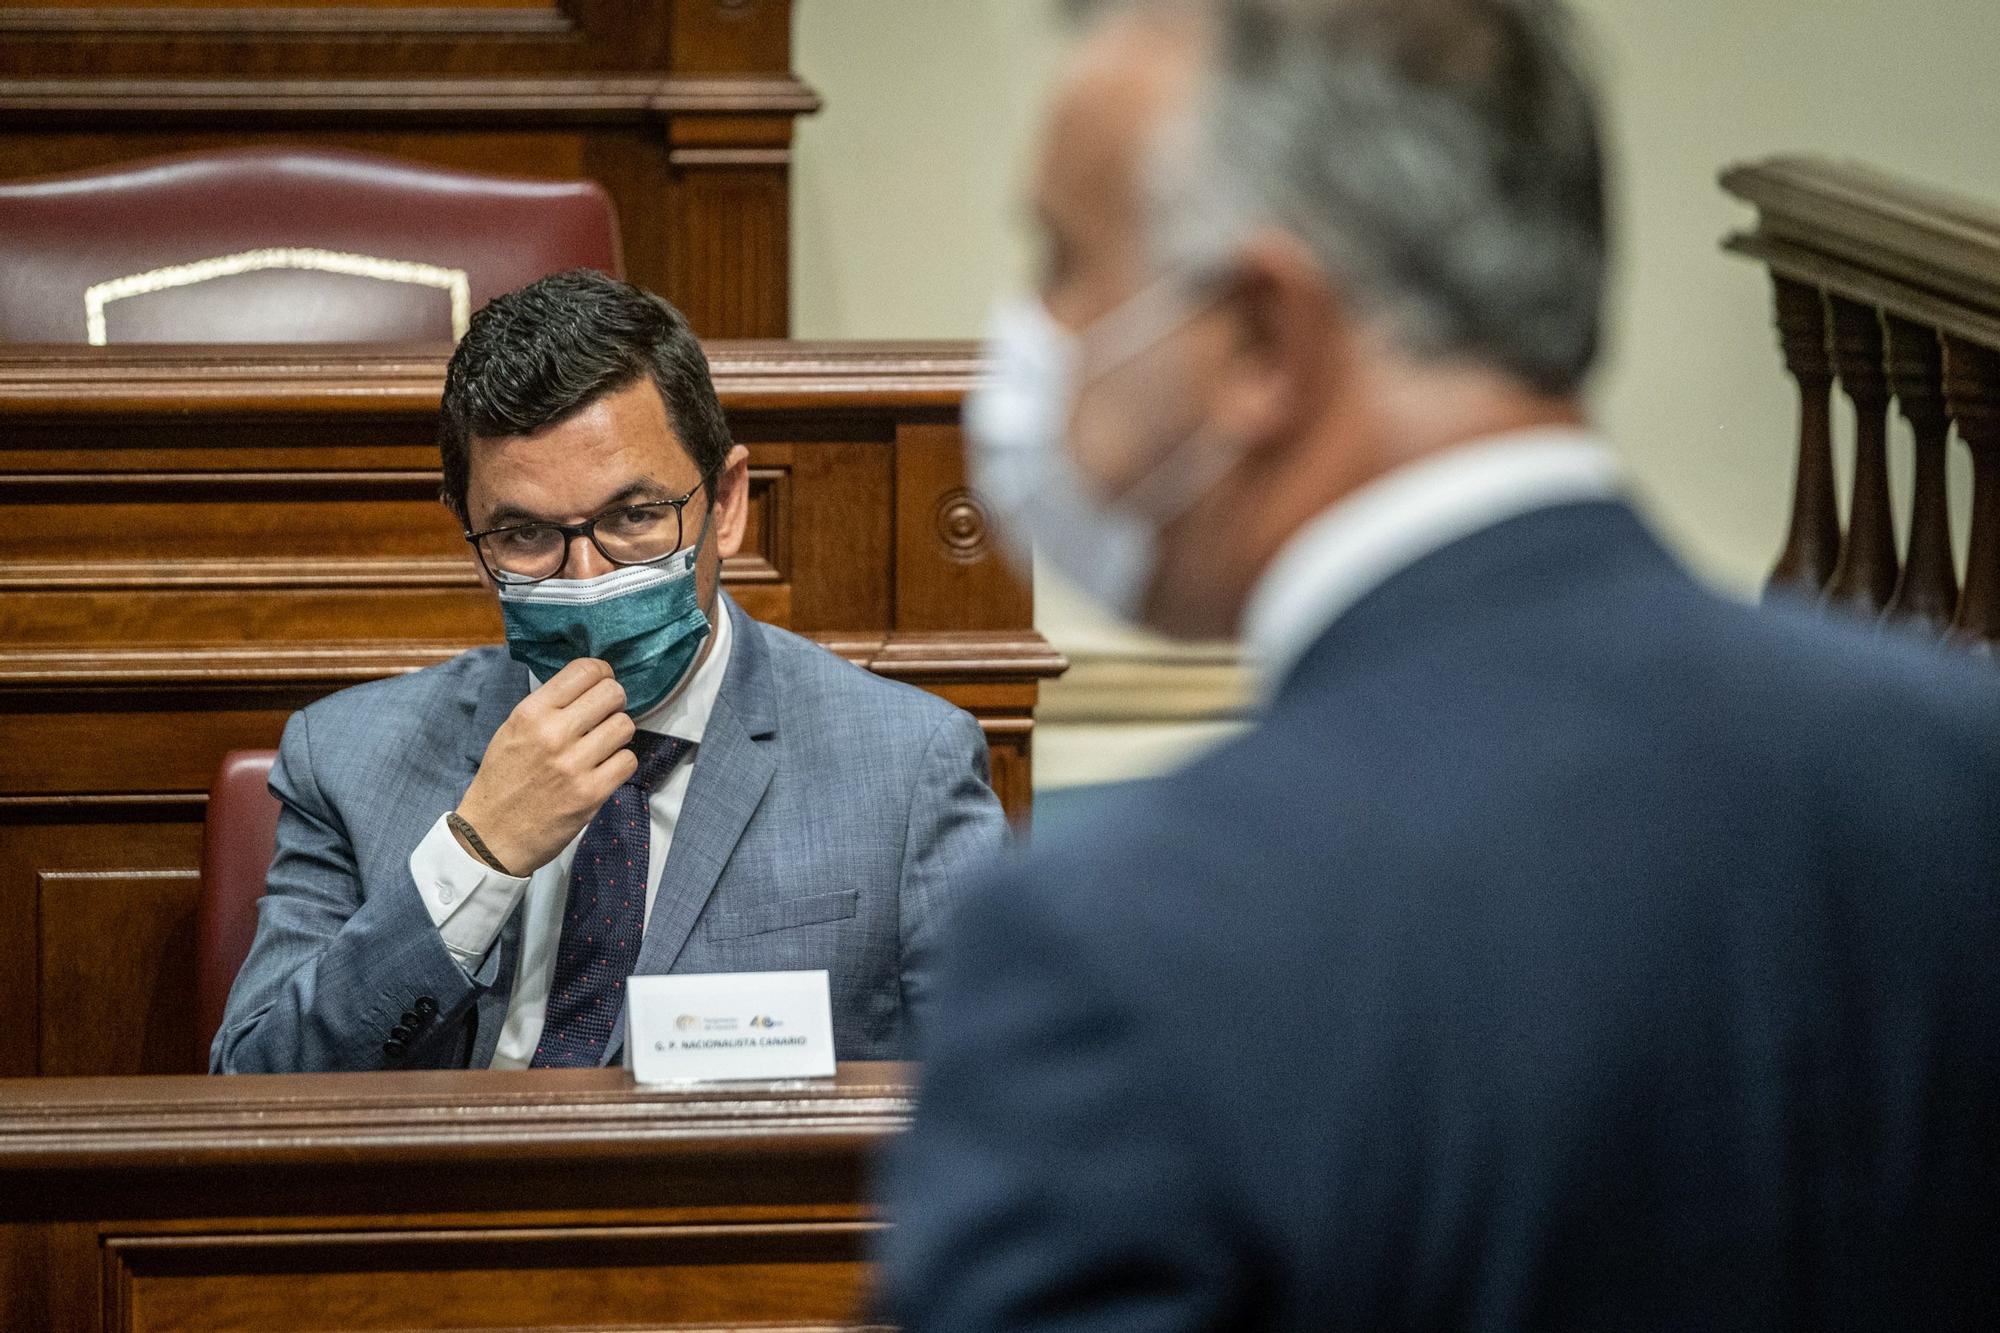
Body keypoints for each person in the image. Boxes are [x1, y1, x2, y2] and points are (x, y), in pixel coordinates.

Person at [877, 1, 2000, 1328]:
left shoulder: (1121, 945)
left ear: (1256, 337)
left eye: (1066, 261)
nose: (1033, 337)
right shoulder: (1960, 769)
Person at [213, 269, 1004, 1073]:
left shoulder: (908, 768)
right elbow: (256, 1086)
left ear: (726, 503)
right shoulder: (345, 759)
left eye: (635, 517)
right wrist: (475, 857)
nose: (587, 581)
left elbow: (1007, 1103)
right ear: (475, 548)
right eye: (524, 534)